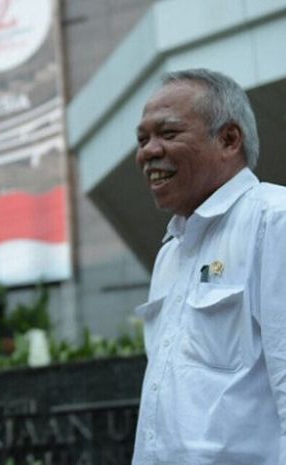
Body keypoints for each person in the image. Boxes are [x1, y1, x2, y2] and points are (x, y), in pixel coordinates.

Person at [132, 67, 286, 464]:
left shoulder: (274, 220)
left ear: (229, 139)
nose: (148, 151)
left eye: (168, 133)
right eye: (142, 138)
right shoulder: (171, 250)